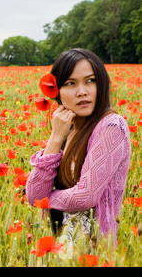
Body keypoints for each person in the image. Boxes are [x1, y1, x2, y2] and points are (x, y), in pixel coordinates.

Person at [26, 48, 131, 247]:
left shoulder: (111, 126)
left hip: (93, 247)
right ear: (57, 91)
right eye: (70, 83)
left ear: (101, 84)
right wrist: (56, 138)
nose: (82, 91)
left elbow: (85, 196)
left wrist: (46, 198)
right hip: (59, 243)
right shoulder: (68, 128)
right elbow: (34, 194)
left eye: (90, 80)